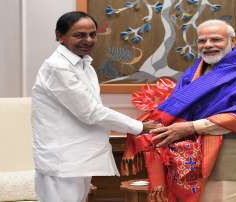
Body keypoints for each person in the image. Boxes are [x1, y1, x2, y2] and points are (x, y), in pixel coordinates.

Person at [123, 19, 236, 202]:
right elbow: (178, 110)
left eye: (216, 40)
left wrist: (192, 127)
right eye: (202, 41)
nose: (208, 45)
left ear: (233, 41)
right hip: (196, 160)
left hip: (235, 160)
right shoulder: (195, 71)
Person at [31, 11, 157, 202]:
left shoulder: (84, 64)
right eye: (79, 35)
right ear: (59, 36)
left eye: (92, 34)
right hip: (62, 160)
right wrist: (140, 126)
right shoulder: (57, 67)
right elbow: (90, 112)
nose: (88, 40)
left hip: (78, 157)